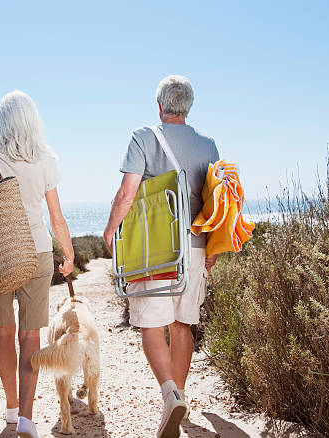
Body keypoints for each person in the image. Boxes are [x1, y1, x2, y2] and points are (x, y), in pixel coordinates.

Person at [103, 75, 220, 438]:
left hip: (155, 247)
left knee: (152, 325)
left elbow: (127, 194)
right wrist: (213, 245)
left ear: (159, 105)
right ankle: (180, 396)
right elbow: (217, 200)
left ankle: (169, 393)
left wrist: (110, 231)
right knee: (182, 324)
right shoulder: (209, 146)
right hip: (197, 246)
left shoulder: (143, 137)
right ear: (189, 107)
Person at [0, 90, 74, 438]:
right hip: (36, 253)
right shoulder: (45, 159)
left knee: (4, 333)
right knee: (30, 336)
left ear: (1, 121)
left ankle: (10, 407)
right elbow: (56, 218)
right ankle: (26, 417)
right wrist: (68, 255)